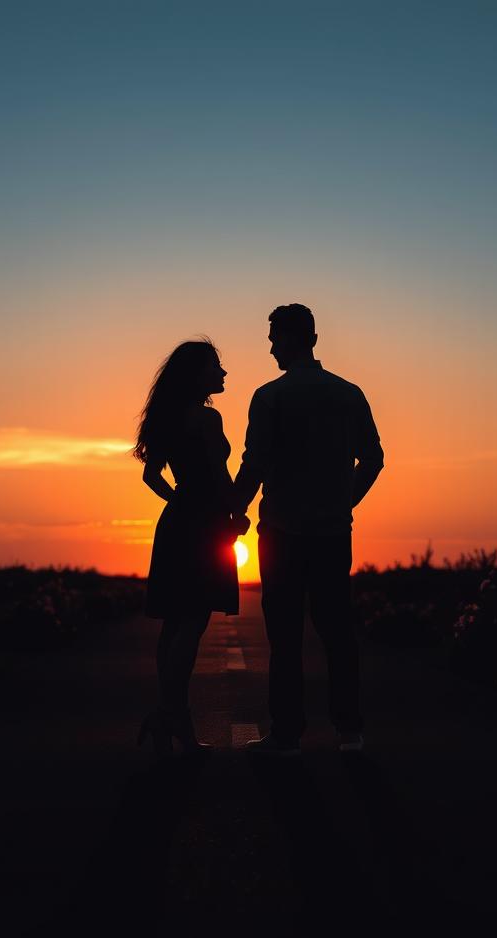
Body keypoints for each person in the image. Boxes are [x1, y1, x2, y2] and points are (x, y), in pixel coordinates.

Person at [233, 304, 384, 755]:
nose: (271, 346)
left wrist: (230, 515)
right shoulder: (348, 393)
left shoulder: (268, 396)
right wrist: (345, 500)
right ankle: (350, 731)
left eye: (274, 337)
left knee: (284, 636)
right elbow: (373, 458)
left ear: (292, 339)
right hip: (333, 533)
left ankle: (286, 733)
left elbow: (253, 465)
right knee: (337, 632)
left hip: (281, 532)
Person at [133, 337, 250, 757]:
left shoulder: (168, 418)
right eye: (216, 367)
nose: (223, 374)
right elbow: (219, 476)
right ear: (196, 374)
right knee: (192, 620)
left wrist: (180, 502)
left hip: (178, 520)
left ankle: (169, 716)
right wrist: (235, 512)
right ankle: (172, 715)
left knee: (174, 623)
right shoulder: (205, 419)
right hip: (203, 523)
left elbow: (151, 478)